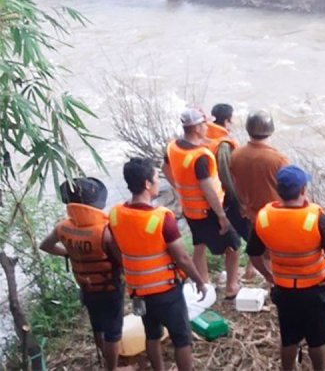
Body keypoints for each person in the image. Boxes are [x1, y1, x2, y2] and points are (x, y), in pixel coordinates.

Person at [109, 157, 207, 371]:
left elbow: (115, 247)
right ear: (146, 184)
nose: (157, 182)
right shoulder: (162, 218)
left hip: (139, 291)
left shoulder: (116, 214)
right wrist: (199, 281)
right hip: (166, 290)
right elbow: (182, 258)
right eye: (155, 178)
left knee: (152, 334)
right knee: (182, 338)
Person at [248, 165, 325, 371]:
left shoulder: (264, 217)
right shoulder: (315, 217)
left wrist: (268, 275)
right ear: (303, 190)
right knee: (317, 341)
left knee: (289, 338)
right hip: (315, 289)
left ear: (278, 190)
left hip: (284, 290)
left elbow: (254, 254)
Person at [39, 177, 122, 371]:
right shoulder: (104, 231)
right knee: (113, 332)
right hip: (109, 288)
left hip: (86, 287)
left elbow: (45, 245)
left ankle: (106, 362)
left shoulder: (63, 228)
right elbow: (121, 261)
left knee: (98, 326)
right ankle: (113, 368)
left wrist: (68, 252)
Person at [164, 108, 241, 299]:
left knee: (199, 244)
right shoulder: (201, 156)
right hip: (208, 211)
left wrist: (179, 188)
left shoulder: (173, 147)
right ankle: (231, 286)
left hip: (190, 210)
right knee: (234, 246)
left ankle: (205, 284)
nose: (208, 127)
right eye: (205, 124)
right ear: (197, 127)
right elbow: (208, 189)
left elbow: (165, 167)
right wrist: (222, 216)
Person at [206, 103, 255, 279]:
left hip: (211, 198)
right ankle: (251, 270)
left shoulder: (205, 138)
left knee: (230, 240)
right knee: (250, 233)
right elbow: (227, 176)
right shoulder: (224, 145)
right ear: (227, 120)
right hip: (228, 198)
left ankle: (239, 273)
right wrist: (240, 200)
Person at [229, 110, 289, 221]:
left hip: (252, 217)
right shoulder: (278, 159)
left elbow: (235, 184)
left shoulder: (235, 155)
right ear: (271, 130)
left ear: (248, 129)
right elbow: (290, 191)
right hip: (275, 217)